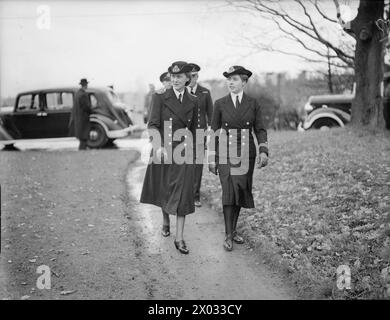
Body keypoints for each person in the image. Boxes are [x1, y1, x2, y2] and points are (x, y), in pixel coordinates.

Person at [208, 66, 269, 251]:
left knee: (240, 190)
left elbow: (260, 129)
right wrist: (211, 157)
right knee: (229, 190)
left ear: (244, 82)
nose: (230, 82)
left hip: (246, 153)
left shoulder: (253, 103)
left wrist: (263, 150)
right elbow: (214, 131)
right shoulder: (220, 103)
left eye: (234, 79)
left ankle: (233, 230)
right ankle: (228, 234)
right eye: (228, 79)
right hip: (225, 151)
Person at [140, 61, 198, 254]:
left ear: (187, 78)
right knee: (164, 190)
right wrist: (158, 146)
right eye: (172, 77)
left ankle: (179, 238)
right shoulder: (160, 97)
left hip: (184, 152)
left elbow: (194, 130)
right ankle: (165, 220)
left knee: (183, 195)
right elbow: (153, 124)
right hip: (163, 149)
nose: (175, 80)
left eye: (179, 76)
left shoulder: (194, 100)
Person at [187, 63, 213, 207]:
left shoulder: (205, 92)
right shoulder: (182, 92)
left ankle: (195, 196)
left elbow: (211, 114)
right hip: (183, 135)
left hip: (199, 134)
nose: (192, 79)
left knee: (197, 165)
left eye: (194, 76)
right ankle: (185, 194)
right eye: (190, 76)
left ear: (198, 76)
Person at [71, 78, 92, 150]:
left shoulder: (77, 93)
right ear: (85, 85)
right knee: (84, 136)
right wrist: (91, 111)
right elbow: (85, 107)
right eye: (86, 84)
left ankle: (82, 150)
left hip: (78, 117)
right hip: (83, 117)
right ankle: (82, 151)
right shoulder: (83, 94)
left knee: (82, 137)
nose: (87, 86)